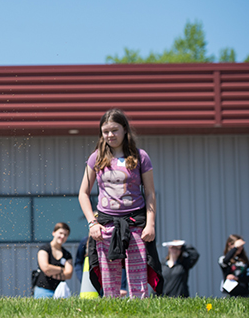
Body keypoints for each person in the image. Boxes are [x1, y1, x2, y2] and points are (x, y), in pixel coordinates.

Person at [78, 108, 163, 298]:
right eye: (105, 131)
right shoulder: (96, 158)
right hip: (106, 224)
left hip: (136, 224)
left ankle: (140, 310)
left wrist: (150, 224)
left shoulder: (141, 157)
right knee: (109, 279)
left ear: (125, 129)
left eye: (114, 130)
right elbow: (83, 193)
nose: (110, 135)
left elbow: (150, 193)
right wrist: (92, 223)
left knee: (138, 277)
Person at [33, 222, 74, 298]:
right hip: (43, 290)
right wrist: (62, 269)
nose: (62, 236)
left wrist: (52, 272)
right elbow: (46, 268)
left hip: (60, 292)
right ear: (54, 233)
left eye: (65, 235)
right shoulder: (44, 249)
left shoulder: (67, 254)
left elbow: (69, 274)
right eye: (60, 233)